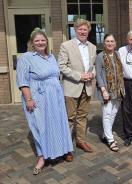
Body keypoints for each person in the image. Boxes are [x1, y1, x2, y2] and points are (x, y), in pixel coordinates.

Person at [16, 28, 73, 175]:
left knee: (56, 124)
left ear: (46, 42)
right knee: (40, 126)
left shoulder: (51, 57)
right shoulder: (26, 58)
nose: (40, 43)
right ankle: (42, 157)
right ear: (32, 43)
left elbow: (56, 76)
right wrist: (28, 99)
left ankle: (57, 151)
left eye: (43, 40)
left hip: (55, 97)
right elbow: (22, 82)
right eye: (37, 40)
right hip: (38, 97)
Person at [58, 19, 96, 153]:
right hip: (72, 87)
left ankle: (81, 141)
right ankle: (66, 147)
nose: (82, 31)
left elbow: (93, 66)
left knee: (82, 116)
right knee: (69, 118)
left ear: (88, 31)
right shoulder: (66, 45)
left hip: (87, 87)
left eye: (85, 29)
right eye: (80, 29)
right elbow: (61, 66)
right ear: (75, 30)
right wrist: (80, 76)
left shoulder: (92, 47)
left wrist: (92, 74)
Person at [95, 34, 125, 152]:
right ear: (104, 43)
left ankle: (105, 134)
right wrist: (103, 90)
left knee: (113, 113)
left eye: (112, 41)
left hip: (118, 90)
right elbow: (98, 75)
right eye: (107, 41)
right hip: (106, 90)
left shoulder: (117, 54)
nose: (110, 43)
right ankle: (110, 139)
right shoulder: (100, 56)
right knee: (107, 114)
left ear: (115, 43)